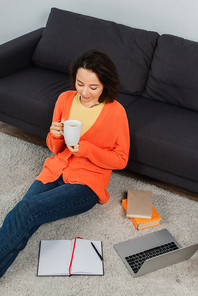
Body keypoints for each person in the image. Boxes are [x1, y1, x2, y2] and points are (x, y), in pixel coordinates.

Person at [0, 49, 130, 278]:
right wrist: (55, 134)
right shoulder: (64, 99)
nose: (85, 92)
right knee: (25, 217)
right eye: (80, 83)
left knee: (28, 209)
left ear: (106, 85)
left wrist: (87, 149)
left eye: (93, 87)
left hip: (87, 184)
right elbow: (54, 147)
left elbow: (121, 160)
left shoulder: (116, 112)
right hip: (55, 169)